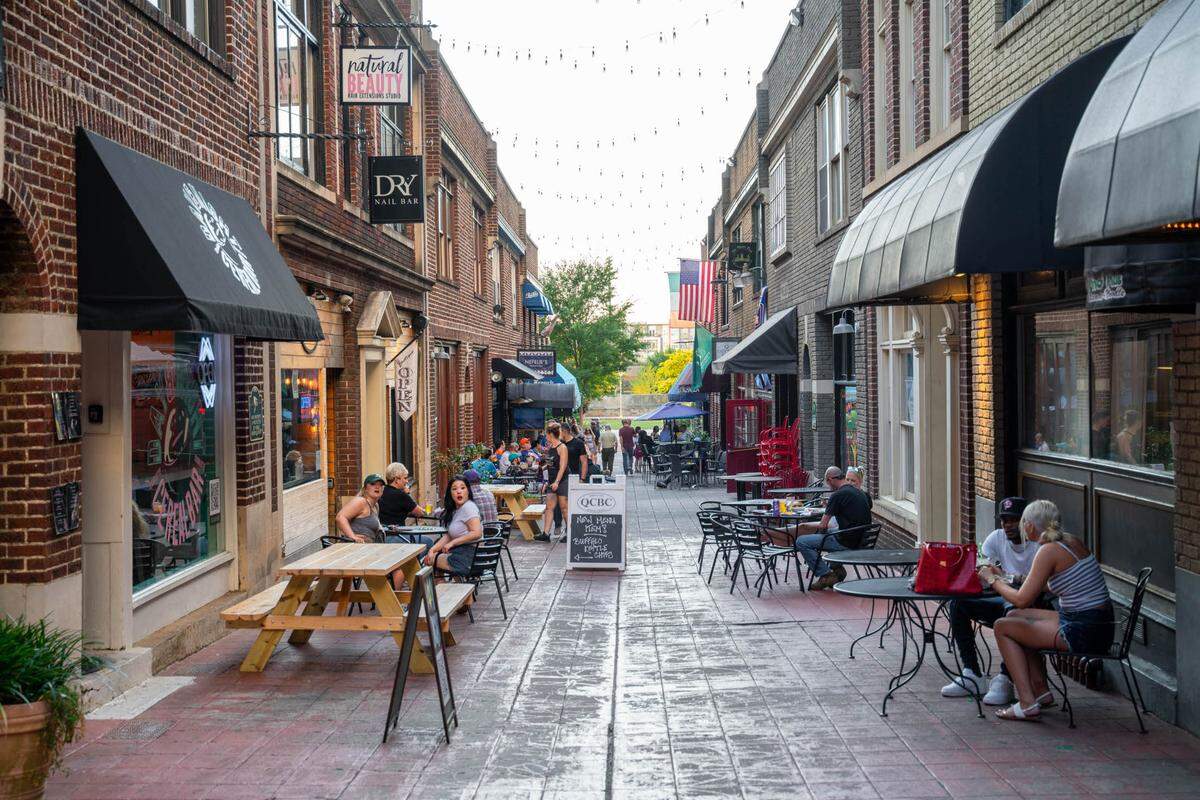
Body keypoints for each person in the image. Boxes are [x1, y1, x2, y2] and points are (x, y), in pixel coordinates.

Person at [981, 499, 1115, 722]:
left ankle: (1026, 703)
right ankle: (1041, 691)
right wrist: (1008, 577)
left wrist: (992, 579)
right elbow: (1048, 585)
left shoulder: (1048, 551)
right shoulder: (1069, 541)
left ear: (1030, 526)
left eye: (1023, 522)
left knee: (1003, 627)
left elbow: (1022, 599)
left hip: (1083, 631)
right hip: (1097, 624)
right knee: (1014, 616)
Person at [941, 497, 1038, 706]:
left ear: (1026, 521)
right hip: (1001, 599)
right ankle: (972, 673)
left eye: (1013, 519)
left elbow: (1035, 589)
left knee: (1012, 611)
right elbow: (982, 571)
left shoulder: (1038, 546)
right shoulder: (996, 538)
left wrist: (1004, 577)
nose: (1007, 525)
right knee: (958, 603)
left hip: (1030, 607)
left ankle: (1005, 679)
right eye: (1004, 520)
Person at [794, 466, 873, 590]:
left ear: (830, 479)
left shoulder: (837, 495)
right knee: (831, 533)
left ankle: (826, 575)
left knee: (802, 541)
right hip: (862, 540)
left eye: (827, 483)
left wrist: (818, 532)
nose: (829, 486)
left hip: (847, 542)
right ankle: (837, 569)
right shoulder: (860, 493)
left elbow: (823, 525)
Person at [423, 476, 482, 576]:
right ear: (450, 493)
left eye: (462, 488)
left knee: (427, 561)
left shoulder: (469, 507)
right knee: (431, 556)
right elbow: (449, 535)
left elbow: (477, 533)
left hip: (470, 556)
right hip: (463, 553)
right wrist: (432, 549)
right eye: (454, 489)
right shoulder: (457, 510)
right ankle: (443, 587)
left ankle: (441, 588)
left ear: (468, 491)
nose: (459, 491)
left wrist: (452, 543)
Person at [540, 422, 571, 541]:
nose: (545, 436)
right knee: (549, 507)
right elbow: (550, 465)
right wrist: (546, 478)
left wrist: (557, 482)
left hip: (561, 480)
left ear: (550, 434)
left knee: (564, 507)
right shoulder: (550, 447)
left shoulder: (562, 447)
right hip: (552, 480)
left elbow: (563, 466)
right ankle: (545, 534)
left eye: (546, 434)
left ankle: (570, 534)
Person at [335, 474, 385, 542]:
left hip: (368, 547)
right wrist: (353, 536)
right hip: (353, 547)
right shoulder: (361, 501)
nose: (377, 487)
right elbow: (340, 517)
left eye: (381, 485)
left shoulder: (375, 506)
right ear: (365, 488)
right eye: (373, 484)